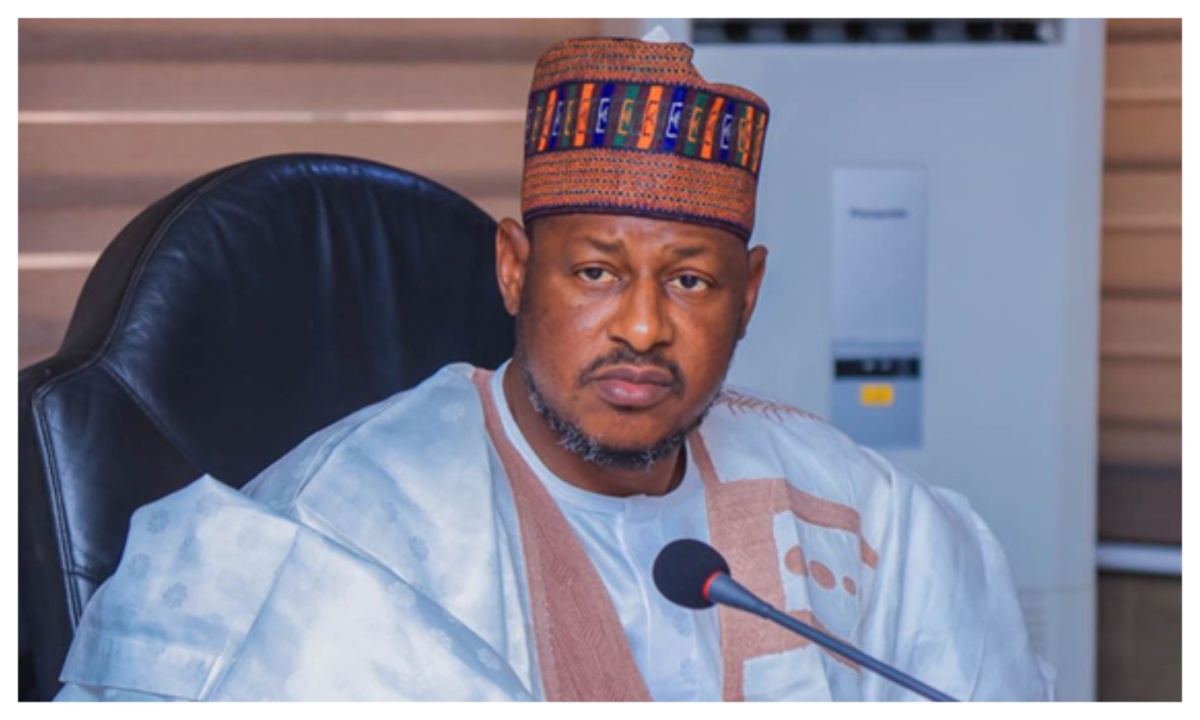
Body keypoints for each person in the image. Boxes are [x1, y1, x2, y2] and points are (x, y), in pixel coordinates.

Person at [54, 35, 1054, 702]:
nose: (644, 328)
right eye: (595, 273)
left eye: (691, 282)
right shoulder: (338, 530)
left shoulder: (862, 513)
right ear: (514, 269)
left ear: (749, 294)